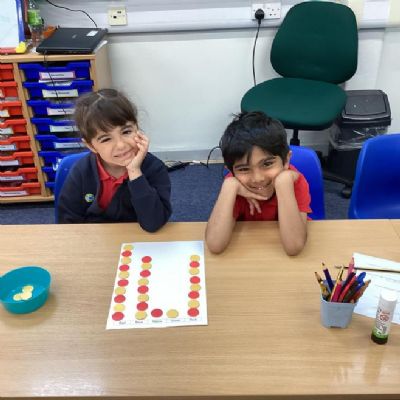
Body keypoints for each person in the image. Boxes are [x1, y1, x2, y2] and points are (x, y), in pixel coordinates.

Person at [57, 89, 172, 232]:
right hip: (95, 238)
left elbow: (153, 223)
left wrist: (135, 172)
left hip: (137, 238)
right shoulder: (81, 171)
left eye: (126, 132)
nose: (121, 145)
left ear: (137, 128)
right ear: (91, 146)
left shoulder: (154, 168)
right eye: (106, 139)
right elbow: (67, 223)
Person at [205, 111, 311, 256]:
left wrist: (283, 184)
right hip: (248, 252)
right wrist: (229, 186)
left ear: (286, 160)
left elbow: (294, 246)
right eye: (244, 169)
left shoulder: (292, 182)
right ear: (231, 171)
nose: (258, 178)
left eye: (267, 164)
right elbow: (215, 244)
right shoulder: (235, 185)